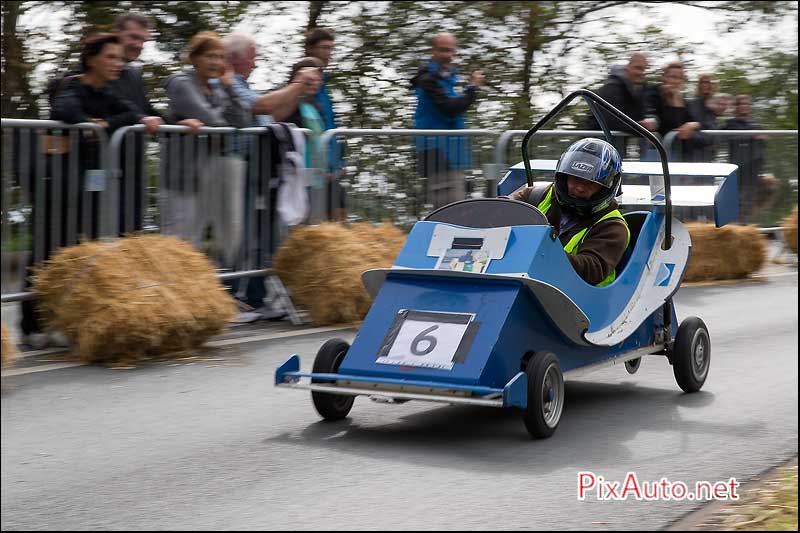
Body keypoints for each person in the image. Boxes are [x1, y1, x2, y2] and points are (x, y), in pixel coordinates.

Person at [22, 32, 162, 348]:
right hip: (56, 183)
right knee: (47, 251)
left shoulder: (108, 90)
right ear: (91, 60)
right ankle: (31, 325)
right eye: (110, 57)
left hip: (87, 185)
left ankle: (66, 321)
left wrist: (119, 121)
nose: (117, 63)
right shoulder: (72, 85)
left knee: (82, 252)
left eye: (119, 58)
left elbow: (129, 111)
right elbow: (65, 112)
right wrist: (90, 121)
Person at [163, 31, 250, 270]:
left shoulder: (217, 88)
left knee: (198, 239)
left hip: (208, 174)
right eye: (210, 56)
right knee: (181, 238)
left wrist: (231, 86)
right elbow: (212, 121)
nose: (216, 62)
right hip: (184, 174)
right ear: (194, 58)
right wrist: (221, 126)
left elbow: (241, 121)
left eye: (221, 57)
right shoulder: (181, 83)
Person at [508, 138, 630, 287]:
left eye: (590, 183)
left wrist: (537, 250)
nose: (579, 188)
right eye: (575, 179)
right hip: (521, 284)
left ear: (605, 188)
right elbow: (502, 210)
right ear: (564, 177)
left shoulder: (613, 227)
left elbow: (591, 269)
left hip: (580, 302)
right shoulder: (535, 196)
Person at [411, 32, 485, 210]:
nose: (447, 55)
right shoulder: (429, 80)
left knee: (456, 205)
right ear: (433, 51)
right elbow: (451, 108)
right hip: (438, 152)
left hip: (451, 153)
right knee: (449, 210)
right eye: (442, 50)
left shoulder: (445, 78)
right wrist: (472, 88)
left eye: (450, 50)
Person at [304, 27, 347, 221]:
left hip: (331, 167)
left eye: (332, 48)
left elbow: (330, 128)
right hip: (314, 170)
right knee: (318, 224)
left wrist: (339, 163)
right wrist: (323, 168)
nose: (329, 53)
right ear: (310, 49)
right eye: (324, 48)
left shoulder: (325, 84)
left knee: (339, 219)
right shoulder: (303, 83)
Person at [583, 52, 657, 157]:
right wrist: (642, 129)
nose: (640, 73)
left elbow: (644, 113)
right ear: (627, 68)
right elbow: (613, 120)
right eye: (637, 68)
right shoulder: (612, 87)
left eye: (643, 69)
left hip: (614, 147)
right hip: (595, 146)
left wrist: (650, 121)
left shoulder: (638, 89)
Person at [646, 61, 702, 161]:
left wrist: (693, 125)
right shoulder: (653, 95)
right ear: (664, 78)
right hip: (659, 155)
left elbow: (697, 121)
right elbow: (674, 125)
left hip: (683, 156)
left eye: (680, 78)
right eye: (673, 77)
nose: (676, 81)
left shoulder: (684, 100)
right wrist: (675, 99)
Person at [724, 94, 767, 223]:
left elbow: (761, 147)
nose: (744, 106)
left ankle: (746, 227)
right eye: (741, 104)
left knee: (750, 200)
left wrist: (762, 170)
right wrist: (752, 136)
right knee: (738, 200)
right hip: (738, 168)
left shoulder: (756, 124)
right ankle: (737, 227)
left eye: (747, 104)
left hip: (753, 169)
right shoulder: (730, 124)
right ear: (736, 107)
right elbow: (732, 137)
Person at [685, 73, 719, 162]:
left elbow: (713, 128)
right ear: (699, 85)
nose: (707, 85)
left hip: (709, 154)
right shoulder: (691, 103)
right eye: (704, 82)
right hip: (693, 152)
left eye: (709, 83)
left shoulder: (714, 106)